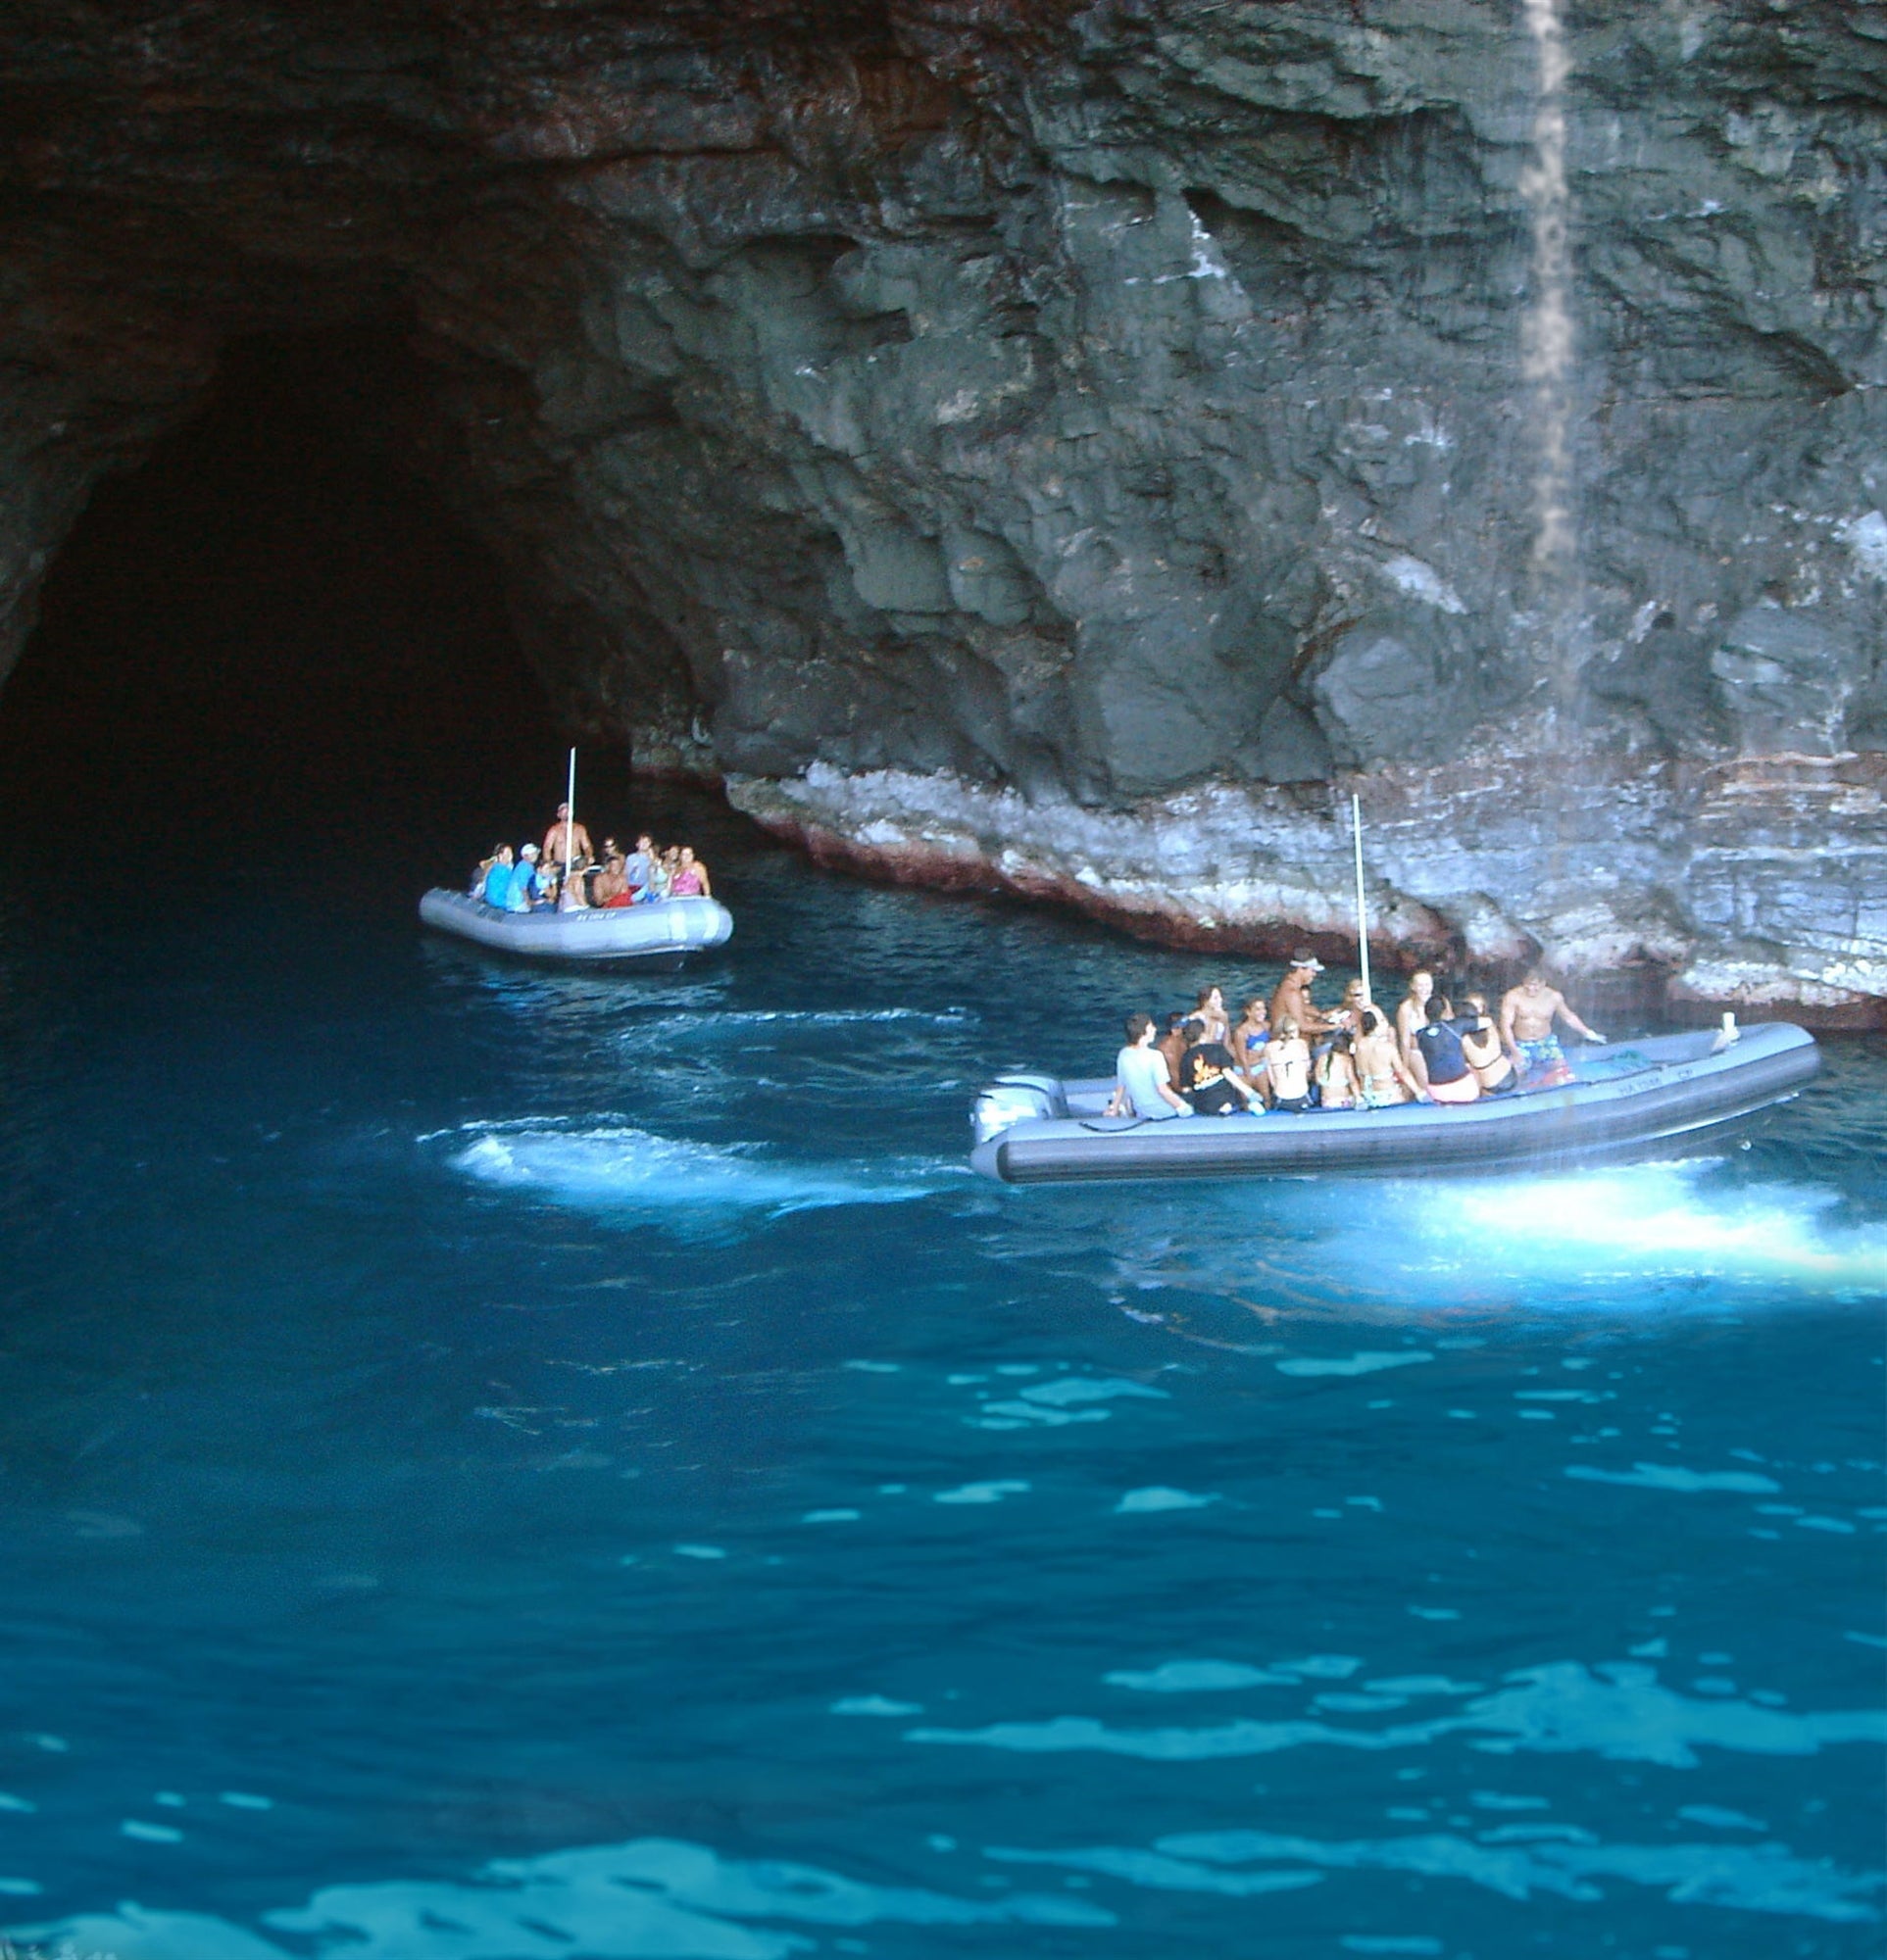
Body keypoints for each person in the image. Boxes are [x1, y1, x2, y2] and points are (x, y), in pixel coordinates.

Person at [1501, 968, 1606, 1085]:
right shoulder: (1513, 996)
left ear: (1543, 983)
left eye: (1535, 986)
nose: (1531, 989)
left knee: (1563, 1073)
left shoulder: (1554, 997)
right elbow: (1506, 1025)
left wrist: (1589, 1033)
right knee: (1513, 1074)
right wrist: (1514, 1051)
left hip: (1546, 1042)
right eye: (1528, 985)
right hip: (1521, 1043)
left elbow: (1569, 1017)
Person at [1106, 1011, 1195, 1120]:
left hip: (1142, 1112)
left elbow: (1121, 1087)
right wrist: (1183, 1108)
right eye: (1151, 1027)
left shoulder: (1123, 1054)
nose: (1155, 1029)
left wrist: (1114, 1109)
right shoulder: (1155, 1056)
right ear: (1144, 1032)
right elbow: (1163, 1090)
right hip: (1164, 1112)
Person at [1176, 1016, 1263, 1116]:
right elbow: (1228, 1073)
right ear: (1203, 1034)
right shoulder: (1217, 1049)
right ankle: (1229, 1106)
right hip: (1226, 1097)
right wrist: (1249, 1092)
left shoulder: (1185, 1058)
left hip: (1204, 1104)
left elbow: (1186, 1088)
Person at [1412, 995, 1480, 1104]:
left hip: (1437, 1092)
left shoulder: (1420, 1035)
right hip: (1464, 1089)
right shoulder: (1456, 1026)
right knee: (1473, 1068)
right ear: (1445, 1012)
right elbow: (1485, 1022)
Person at [1353, 1005, 1425, 1106]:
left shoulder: (1358, 1046)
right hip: (1388, 1097)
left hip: (1367, 1096)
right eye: (1383, 1020)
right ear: (1378, 1024)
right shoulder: (1387, 1048)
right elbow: (1402, 1072)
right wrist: (1419, 1092)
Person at [1459, 992, 1518, 1096]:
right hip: (1510, 1073)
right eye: (1473, 1007)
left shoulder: (1463, 1037)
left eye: (1479, 1006)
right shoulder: (1489, 1023)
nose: (1476, 1010)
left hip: (1492, 1085)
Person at [1270, 952, 1338, 1040]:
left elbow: (1297, 1006)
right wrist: (1332, 1027)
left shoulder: (1285, 984)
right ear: (1300, 969)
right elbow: (1303, 1026)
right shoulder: (1292, 992)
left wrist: (1321, 1015)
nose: (1314, 974)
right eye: (1312, 970)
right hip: (1287, 1044)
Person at [1265, 1015, 1314, 1112]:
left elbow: (1271, 1078)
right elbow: (1307, 1069)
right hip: (1301, 1095)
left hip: (1280, 1097)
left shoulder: (1268, 1047)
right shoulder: (1301, 1044)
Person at [1229, 995, 1272, 1094]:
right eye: (1258, 1009)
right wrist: (1248, 1074)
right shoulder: (1241, 1032)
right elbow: (1242, 1056)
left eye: (1263, 1008)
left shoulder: (1266, 1026)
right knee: (1249, 1101)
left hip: (1260, 1066)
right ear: (1248, 1012)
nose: (1262, 1012)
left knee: (1266, 1097)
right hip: (1244, 1069)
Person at [1395, 969, 1435, 1065]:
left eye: (1427, 985)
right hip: (1417, 1053)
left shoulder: (1440, 1003)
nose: (1424, 989)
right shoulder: (1406, 1008)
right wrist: (1405, 1065)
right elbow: (1405, 1041)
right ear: (1413, 987)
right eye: (1420, 985)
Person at [1316, 1031, 1362, 1110]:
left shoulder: (1321, 1058)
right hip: (1343, 1101)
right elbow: (1353, 1081)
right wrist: (1359, 1098)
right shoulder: (1346, 1060)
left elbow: (1317, 1080)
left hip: (1326, 1101)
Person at [543, 802, 593, 870]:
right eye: (563, 811)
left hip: (576, 864)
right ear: (558, 815)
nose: (566, 813)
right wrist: (548, 861)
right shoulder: (553, 830)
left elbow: (587, 846)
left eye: (568, 810)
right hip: (559, 865)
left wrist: (589, 855)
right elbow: (547, 847)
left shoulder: (580, 829)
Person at [1155, 1011, 1190, 1090]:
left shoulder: (1185, 1040)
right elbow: (1172, 1074)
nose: (1188, 1030)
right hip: (1177, 1090)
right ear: (1175, 1030)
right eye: (1185, 1028)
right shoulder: (1164, 1049)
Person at [505, 843, 542, 912]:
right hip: (517, 904)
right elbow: (523, 887)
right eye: (533, 853)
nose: (536, 855)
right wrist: (529, 902)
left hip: (515, 902)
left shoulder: (524, 865)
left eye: (535, 853)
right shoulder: (525, 867)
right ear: (525, 856)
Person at [1191, 985, 1230, 1050]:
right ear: (1205, 1001)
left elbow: (1227, 1043)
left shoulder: (1223, 1016)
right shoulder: (1196, 1018)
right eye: (1215, 998)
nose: (1220, 1000)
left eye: (1220, 997)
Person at [480, 844, 515, 908]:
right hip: (500, 902)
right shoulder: (503, 870)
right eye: (507, 853)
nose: (510, 855)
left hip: (492, 900)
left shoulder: (497, 868)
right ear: (500, 856)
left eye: (511, 853)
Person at [623, 834, 656, 898]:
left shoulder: (652, 859)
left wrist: (652, 858)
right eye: (642, 841)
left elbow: (655, 873)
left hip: (644, 888)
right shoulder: (630, 857)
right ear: (637, 844)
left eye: (647, 842)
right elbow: (625, 873)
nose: (644, 844)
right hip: (630, 887)